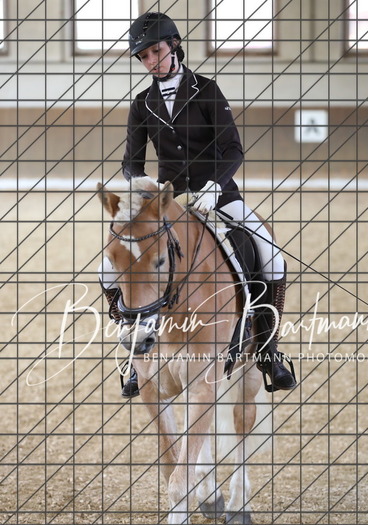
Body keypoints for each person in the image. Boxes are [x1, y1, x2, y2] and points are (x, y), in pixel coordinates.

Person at [99, 11, 297, 396]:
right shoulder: (142, 104)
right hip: (168, 203)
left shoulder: (206, 91)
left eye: (156, 51)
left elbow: (233, 149)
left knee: (272, 257)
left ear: (174, 45)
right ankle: (136, 356)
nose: (151, 61)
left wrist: (214, 186)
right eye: (143, 56)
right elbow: (131, 162)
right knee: (107, 270)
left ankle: (268, 351)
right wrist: (143, 187)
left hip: (217, 196)